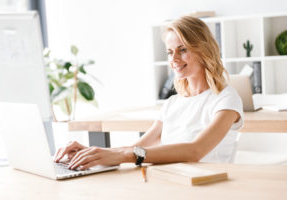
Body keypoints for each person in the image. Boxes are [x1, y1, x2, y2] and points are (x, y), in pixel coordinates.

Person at [54, 16, 243, 170]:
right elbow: (138, 148)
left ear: (203, 50)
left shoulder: (226, 98)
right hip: (172, 182)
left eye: (182, 50)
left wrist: (121, 156)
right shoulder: (172, 103)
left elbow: (195, 151)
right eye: (170, 52)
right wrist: (93, 152)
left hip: (209, 188)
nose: (174, 59)